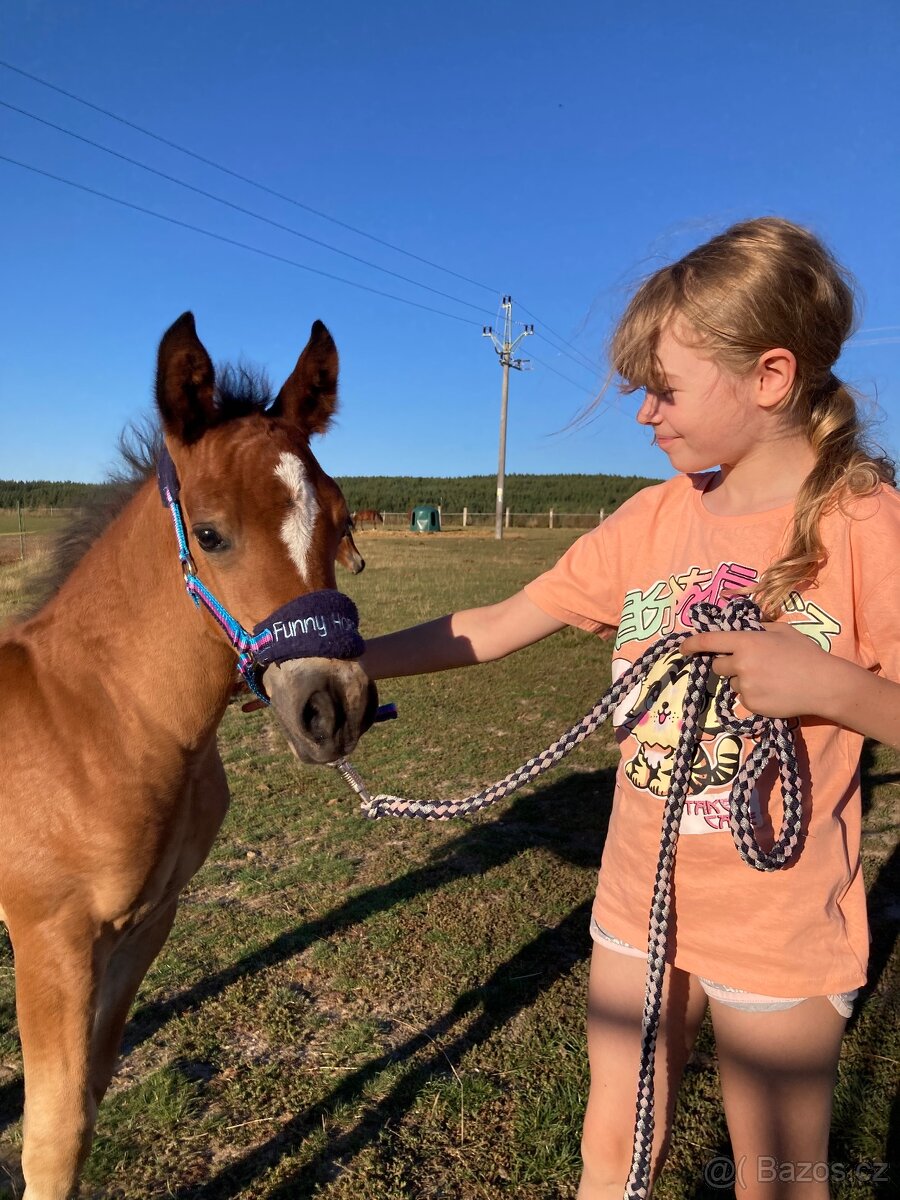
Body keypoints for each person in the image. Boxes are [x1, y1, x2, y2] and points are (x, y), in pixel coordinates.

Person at [360, 217, 900, 1198]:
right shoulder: (649, 521)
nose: (645, 414)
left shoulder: (866, 527)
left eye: (666, 388)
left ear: (771, 377)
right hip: (633, 906)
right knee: (611, 1153)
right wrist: (348, 662)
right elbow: (497, 623)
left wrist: (831, 689)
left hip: (777, 927)